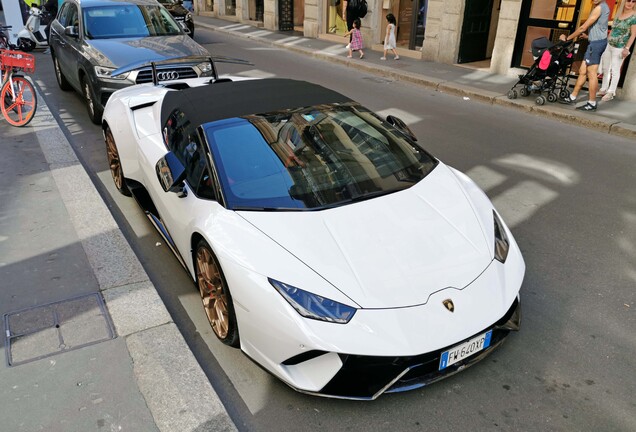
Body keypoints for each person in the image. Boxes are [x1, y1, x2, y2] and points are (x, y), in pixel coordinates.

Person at [559, 0, 610, 111]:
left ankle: (591, 103)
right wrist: (589, 37)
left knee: (592, 74)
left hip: (596, 45)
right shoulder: (604, 6)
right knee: (582, 71)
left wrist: (567, 39)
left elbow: (583, 27)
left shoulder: (599, 8)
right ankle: (573, 97)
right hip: (596, 42)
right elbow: (601, 27)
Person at [598, 0, 636, 101]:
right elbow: (613, 30)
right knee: (606, 68)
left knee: (615, 70)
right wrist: (606, 42)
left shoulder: (634, 17)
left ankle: (611, 92)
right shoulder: (619, 14)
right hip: (609, 45)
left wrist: (627, 48)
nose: (630, 3)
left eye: (633, 1)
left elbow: (633, 35)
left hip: (620, 47)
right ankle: (604, 89)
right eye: (628, 0)